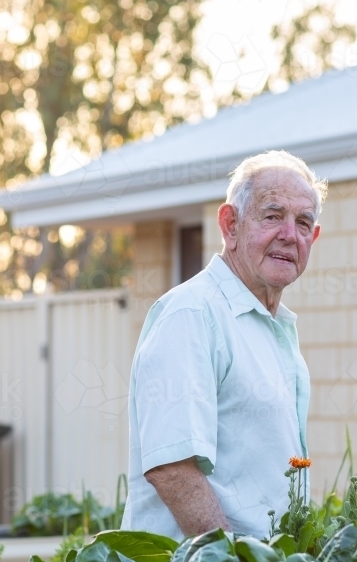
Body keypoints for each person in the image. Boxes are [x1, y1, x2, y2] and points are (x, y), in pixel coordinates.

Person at [120, 151, 325, 540]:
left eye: (303, 223)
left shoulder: (272, 326)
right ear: (230, 225)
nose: (289, 234)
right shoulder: (192, 314)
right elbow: (173, 468)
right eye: (272, 216)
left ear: (312, 239)